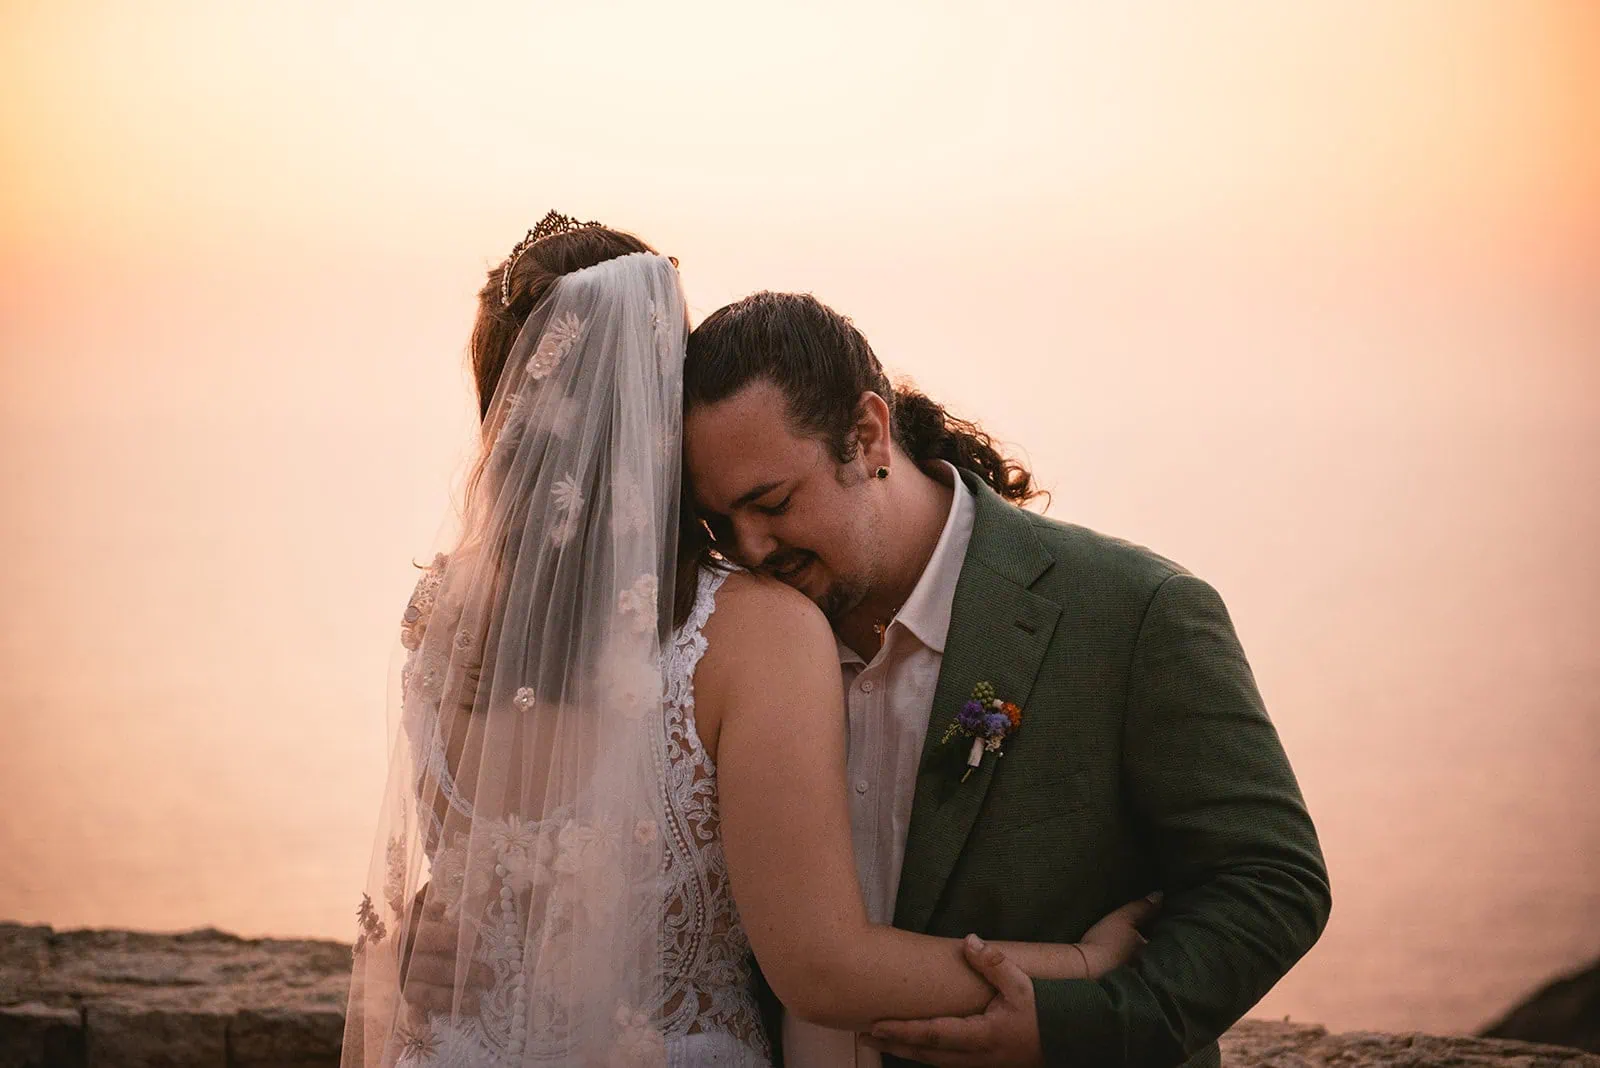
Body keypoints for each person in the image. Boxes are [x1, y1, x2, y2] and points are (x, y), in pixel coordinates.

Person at [340, 216, 1155, 1068]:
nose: (751, 539)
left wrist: (424, 939)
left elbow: (473, 903)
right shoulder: (752, 633)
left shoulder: (443, 619)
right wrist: (1085, 968)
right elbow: (821, 967)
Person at [681, 292, 1333, 1068]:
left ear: (867, 435)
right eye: (721, 524)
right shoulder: (732, 646)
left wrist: (1073, 1027)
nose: (750, 549)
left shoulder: (1135, 613)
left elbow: (1273, 882)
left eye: (773, 503)